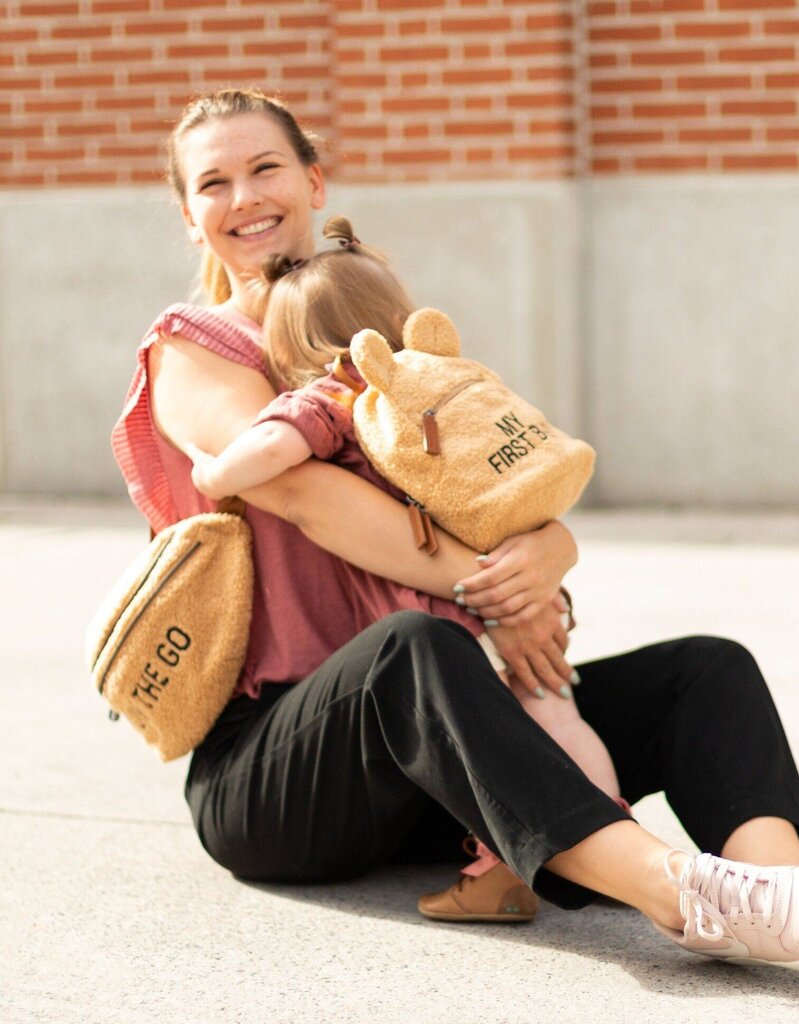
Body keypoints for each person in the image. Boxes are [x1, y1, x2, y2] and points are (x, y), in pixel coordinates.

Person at [111, 87, 799, 971]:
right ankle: (688, 896)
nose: (243, 196)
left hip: (440, 761)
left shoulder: (378, 339)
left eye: (265, 167)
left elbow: (486, 487)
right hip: (284, 774)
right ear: (189, 214)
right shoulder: (194, 346)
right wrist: (494, 590)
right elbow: (303, 496)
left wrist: (552, 549)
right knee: (412, 650)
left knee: (705, 671)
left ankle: (783, 894)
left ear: (315, 183)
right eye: (214, 182)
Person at [183, 215, 625, 921]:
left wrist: (212, 471)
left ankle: (501, 868)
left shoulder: (343, 397)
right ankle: (612, 836)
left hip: (419, 613)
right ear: (398, 318)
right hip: (489, 601)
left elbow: (266, 453)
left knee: (473, 749)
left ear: (300, 351)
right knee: (550, 712)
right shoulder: (449, 387)